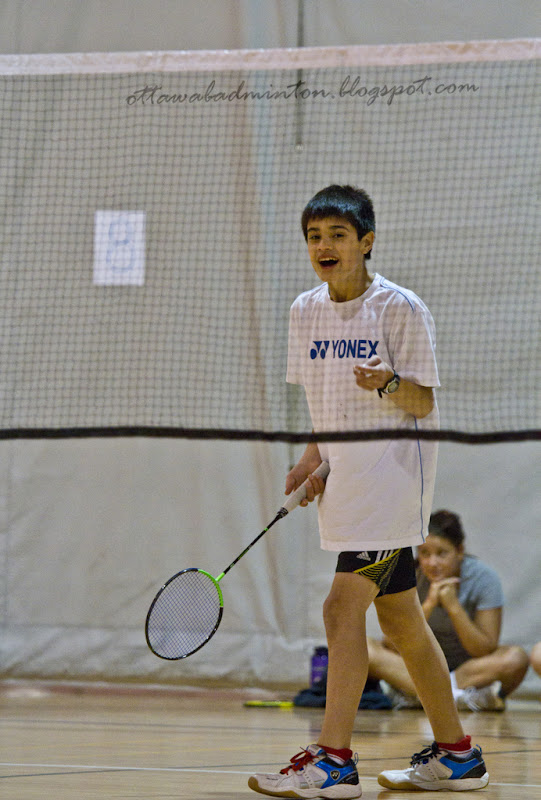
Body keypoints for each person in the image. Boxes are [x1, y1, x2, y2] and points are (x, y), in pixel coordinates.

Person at [248, 185, 489, 798]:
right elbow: (322, 401)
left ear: (366, 241)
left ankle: (334, 761)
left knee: (340, 608)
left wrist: (387, 383)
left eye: (337, 235)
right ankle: (458, 755)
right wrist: (314, 459)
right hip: (347, 483)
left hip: (392, 484)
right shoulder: (304, 310)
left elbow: (423, 402)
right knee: (402, 621)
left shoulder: (400, 308)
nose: (323, 246)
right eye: (314, 236)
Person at [368, 510, 529, 712]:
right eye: (424, 553)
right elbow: (391, 644)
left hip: (468, 672)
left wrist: (454, 607)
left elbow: (484, 650)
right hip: (418, 666)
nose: (432, 563)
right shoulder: (410, 576)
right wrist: (428, 605)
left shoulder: (484, 579)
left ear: (459, 550)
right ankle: (458, 698)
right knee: (365, 648)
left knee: (516, 658)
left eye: (441, 553)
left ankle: (421, 696)